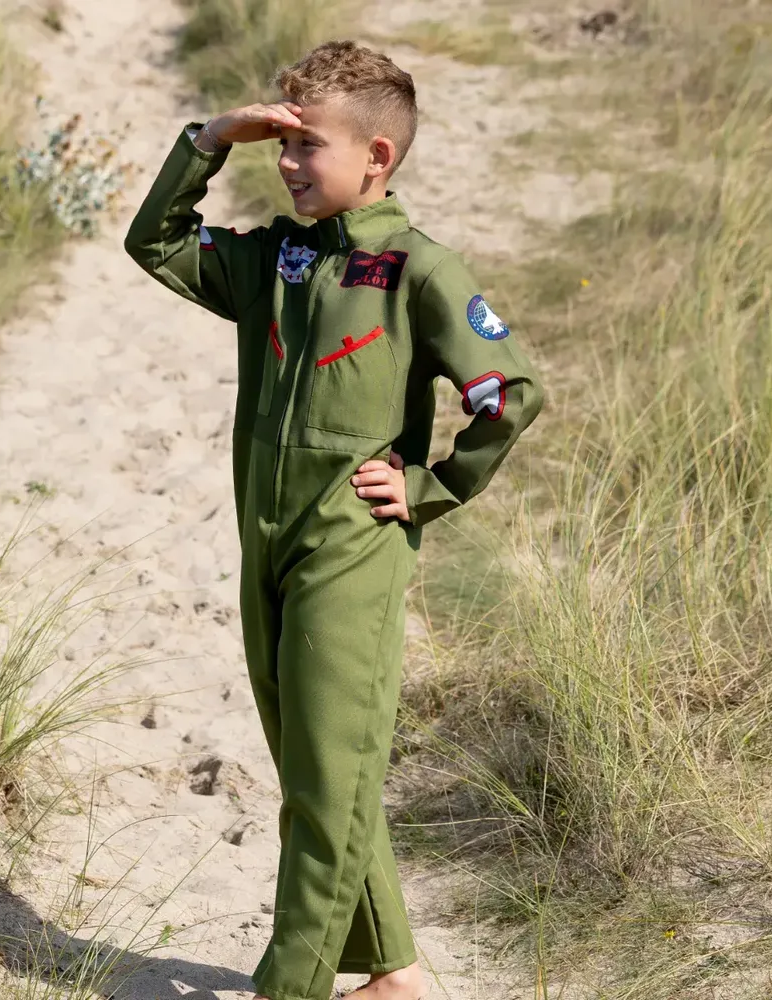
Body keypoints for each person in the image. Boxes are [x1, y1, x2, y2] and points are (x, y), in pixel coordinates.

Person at [125, 39, 544, 1000]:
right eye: (282, 142)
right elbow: (156, 244)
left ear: (377, 157)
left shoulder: (418, 271)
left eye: (306, 144)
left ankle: (293, 985)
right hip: (264, 538)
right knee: (319, 766)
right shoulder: (277, 258)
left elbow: (510, 391)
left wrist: (433, 487)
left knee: (325, 782)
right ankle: (395, 973)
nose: (286, 162)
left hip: (351, 548)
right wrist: (210, 140)